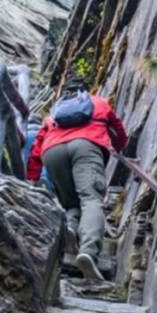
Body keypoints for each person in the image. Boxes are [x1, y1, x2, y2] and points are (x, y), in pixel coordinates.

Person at [26, 78, 128, 280]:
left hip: (52, 151)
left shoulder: (55, 111)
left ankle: (71, 230)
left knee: (71, 203)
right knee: (91, 199)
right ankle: (88, 252)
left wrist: (33, 174)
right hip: (86, 146)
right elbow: (119, 131)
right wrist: (119, 146)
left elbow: (38, 141)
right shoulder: (98, 102)